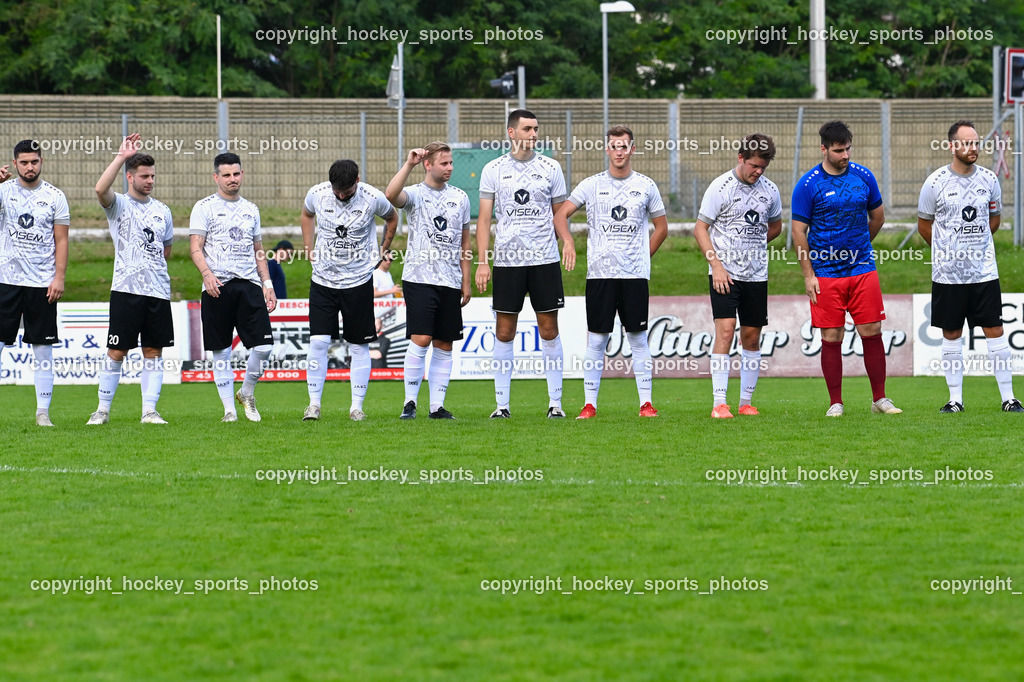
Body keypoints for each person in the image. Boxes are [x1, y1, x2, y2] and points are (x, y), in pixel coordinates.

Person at [553, 125, 667, 418]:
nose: (619, 151)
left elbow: (662, 228)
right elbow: (561, 215)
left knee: (638, 338)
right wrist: (568, 242)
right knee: (598, 339)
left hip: (635, 276)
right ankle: (589, 404)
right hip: (600, 275)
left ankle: (646, 404)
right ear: (607, 149)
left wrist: (643, 256)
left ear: (632, 149)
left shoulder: (646, 185)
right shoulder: (591, 185)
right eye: (614, 146)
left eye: (624, 146)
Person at [791, 120, 901, 417]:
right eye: (839, 150)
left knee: (872, 330)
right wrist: (808, 274)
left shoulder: (864, 177)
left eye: (848, 148)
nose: (845, 155)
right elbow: (798, 231)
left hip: (862, 269)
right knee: (831, 337)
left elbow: (877, 217)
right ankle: (835, 402)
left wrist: (861, 247)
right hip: (826, 275)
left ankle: (880, 399)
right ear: (823, 149)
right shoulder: (808, 184)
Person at [475, 109, 575, 419]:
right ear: (511, 132)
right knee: (504, 331)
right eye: (527, 129)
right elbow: (484, 218)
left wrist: (567, 240)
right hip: (507, 262)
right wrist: (482, 261)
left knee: (549, 330)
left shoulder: (551, 167)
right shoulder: (493, 169)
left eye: (536, 129)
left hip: (544, 259)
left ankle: (555, 404)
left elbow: (560, 213)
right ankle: (502, 405)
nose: (533, 134)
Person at [918, 119, 1023, 413]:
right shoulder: (935, 182)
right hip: (948, 276)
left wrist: (975, 250)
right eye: (966, 143)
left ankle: (1009, 398)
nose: (972, 148)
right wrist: (945, 253)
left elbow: (995, 220)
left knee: (995, 330)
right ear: (952, 146)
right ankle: (955, 400)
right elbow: (924, 225)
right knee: (951, 333)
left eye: (976, 142)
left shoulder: (989, 180)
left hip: (984, 273)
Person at [300, 159, 398, 422]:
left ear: (357, 181)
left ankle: (356, 407)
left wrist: (383, 248)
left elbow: (392, 216)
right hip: (323, 281)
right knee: (319, 342)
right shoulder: (318, 193)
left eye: (347, 191)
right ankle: (313, 405)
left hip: (358, 281)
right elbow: (307, 214)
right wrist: (308, 248)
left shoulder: (372, 197)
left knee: (358, 345)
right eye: (337, 191)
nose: (342, 196)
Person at [693, 133, 782, 418]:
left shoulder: (771, 190)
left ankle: (746, 402)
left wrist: (751, 248)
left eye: (763, 167)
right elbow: (700, 229)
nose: (758, 171)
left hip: (756, 275)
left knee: (752, 337)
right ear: (741, 158)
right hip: (725, 274)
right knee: (726, 330)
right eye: (754, 165)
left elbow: (776, 227)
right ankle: (719, 403)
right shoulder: (720, 187)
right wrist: (716, 265)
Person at [87, 134, 175, 425]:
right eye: (144, 176)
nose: (150, 181)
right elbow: (100, 189)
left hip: (158, 291)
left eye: (152, 176)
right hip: (126, 289)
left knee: (153, 350)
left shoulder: (163, 211)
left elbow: (167, 250)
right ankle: (102, 410)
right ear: (130, 177)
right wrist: (121, 155)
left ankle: (149, 411)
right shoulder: (119, 205)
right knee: (117, 350)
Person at [385, 142, 472, 420]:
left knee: (445, 343)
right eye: (444, 163)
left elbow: (465, 242)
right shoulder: (415, 194)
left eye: (451, 163)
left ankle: (437, 407)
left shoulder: (460, 197)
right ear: (428, 164)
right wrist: (408, 163)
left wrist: (466, 279)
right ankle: (409, 402)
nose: (449, 168)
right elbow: (390, 194)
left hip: (450, 280)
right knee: (421, 338)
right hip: (419, 277)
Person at [189, 152, 277, 422]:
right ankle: (229, 410)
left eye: (236, 174)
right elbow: (195, 248)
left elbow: (258, 249)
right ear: (216, 177)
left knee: (263, 347)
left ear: (242, 174)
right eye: (226, 175)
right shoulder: (203, 207)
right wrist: (207, 275)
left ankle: (246, 392)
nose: (232, 179)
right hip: (218, 286)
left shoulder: (251, 209)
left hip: (249, 284)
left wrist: (267, 283)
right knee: (221, 351)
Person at [0, 140, 69, 427]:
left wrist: (59, 277)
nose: (30, 167)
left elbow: (61, 239)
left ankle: (43, 412)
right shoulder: (3, 192)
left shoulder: (55, 196)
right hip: (6, 279)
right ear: (14, 163)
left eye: (35, 161)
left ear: (41, 162)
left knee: (42, 348)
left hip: (42, 282)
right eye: (25, 162)